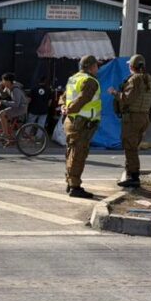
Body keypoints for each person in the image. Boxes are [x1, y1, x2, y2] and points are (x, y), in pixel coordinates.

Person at [108, 54, 151, 188]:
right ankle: (131, 173)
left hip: (133, 118)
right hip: (144, 117)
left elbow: (127, 99)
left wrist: (114, 93)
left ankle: (133, 176)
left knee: (130, 147)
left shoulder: (135, 80)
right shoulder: (148, 78)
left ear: (131, 66)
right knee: (133, 146)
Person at [59, 55, 101, 199]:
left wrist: (64, 107)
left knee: (71, 152)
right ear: (91, 67)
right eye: (96, 66)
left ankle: (70, 182)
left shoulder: (73, 78)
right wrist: (69, 109)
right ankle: (75, 187)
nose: (98, 68)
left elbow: (63, 97)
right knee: (78, 154)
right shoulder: (90, 81)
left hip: (71, 121)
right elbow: (83, 99)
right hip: (82, 123)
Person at [0, 73, 28, 141]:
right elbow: (3, 96)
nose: (2, 82)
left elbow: (16, 104)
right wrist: (0, 89)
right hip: (17, 107)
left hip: (21, 108)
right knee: (1, 120)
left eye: (3, 80)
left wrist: (3, 102)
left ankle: (6, 134)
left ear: (8, 81)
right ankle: (10, 138)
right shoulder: (8, 87)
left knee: (1, 113)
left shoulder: (15, 90)